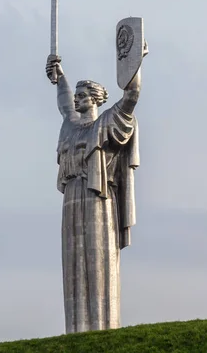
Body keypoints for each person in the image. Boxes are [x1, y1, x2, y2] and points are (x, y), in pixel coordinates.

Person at [45, 54, 140, 333]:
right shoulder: (70, 125)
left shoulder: (107, 122)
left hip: (99, 198)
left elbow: (132, 95)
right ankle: (77, 330)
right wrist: (59, 76)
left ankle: (103, 327)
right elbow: (63, 105)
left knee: (99, 259)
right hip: (72, 198)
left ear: (97, 99)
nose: (77, 98)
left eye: (83, 94)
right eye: (77, 94)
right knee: (74, 261)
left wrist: (134, 61)